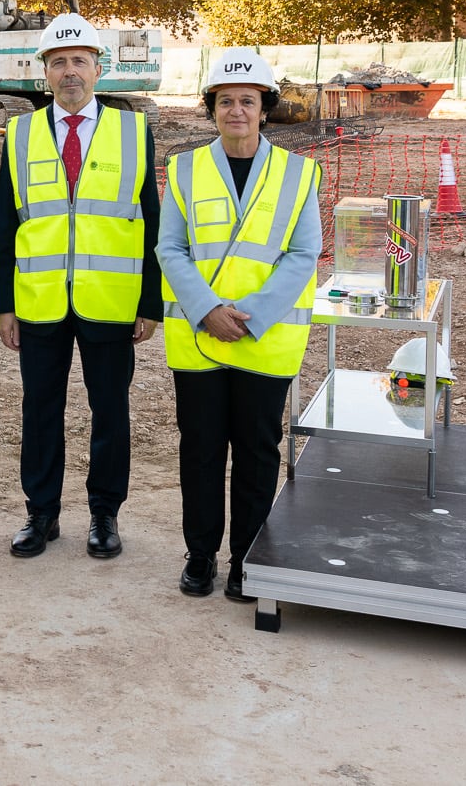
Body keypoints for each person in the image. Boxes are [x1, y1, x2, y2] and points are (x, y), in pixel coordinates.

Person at [0, 13, 161, 562]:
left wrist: (149, 301)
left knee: (109, 412)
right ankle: (41, 513)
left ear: (98, 68)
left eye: (80, 61)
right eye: (59, 62)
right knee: (40, 411)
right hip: (39, 299)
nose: (70, 71)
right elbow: (6, 223)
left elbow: (151, 220)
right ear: (44, 71)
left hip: (110, 300)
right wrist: (4, 304)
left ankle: (104, 514)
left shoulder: (133, 131)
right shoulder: (19, 134)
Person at [158, 47, 321, 602]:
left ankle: (248, 560)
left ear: (265, 108)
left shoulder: (299, 174)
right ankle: (200, 555)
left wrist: (251, 318)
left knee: (257, 452)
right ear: (211, 108)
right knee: (201, 450)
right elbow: (170, 248)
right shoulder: (184, 170)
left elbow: (304, 254)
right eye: (225, 101)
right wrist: (207, 309)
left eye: (247, 101)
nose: (236, 111)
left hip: (264, 339)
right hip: (199, 338)